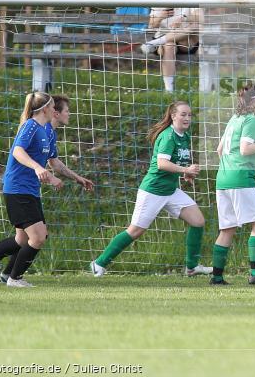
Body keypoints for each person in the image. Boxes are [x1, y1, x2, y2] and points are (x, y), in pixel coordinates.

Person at [0, 92, 85, 288]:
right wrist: (38, 168)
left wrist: (77, 178)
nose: (55, 110)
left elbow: (54, 163)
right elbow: (18, 151)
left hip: (30, 189)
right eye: (53, 106)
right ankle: (14, 278)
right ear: (45, 109)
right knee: (38, 236)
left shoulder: (47, 131)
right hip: (17, 188)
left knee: (22, 239)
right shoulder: (30, 126)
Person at [90, 101, 210, 278]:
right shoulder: (168, 136)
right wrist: (185, 169)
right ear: (173, 116)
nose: (187, 118)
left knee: (198, 221)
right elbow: (162, 164)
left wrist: (185, 173)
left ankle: (192, 267)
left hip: (170, 191)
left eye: (190, 115)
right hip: (153, 190)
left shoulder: (184, 136)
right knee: (135, 231)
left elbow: (175, 161)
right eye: (183, 114)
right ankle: (99, 263)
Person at [211, 82, 255, 285]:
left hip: (223, 178)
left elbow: (219, 149)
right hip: (240, 178)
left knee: (227, 229)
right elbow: (245, 149)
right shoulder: (251, 119)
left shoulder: (235, 118)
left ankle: (217, 277)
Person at [140, 0, 200, 92]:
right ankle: (169, 90)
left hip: (186, 41)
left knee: (195, 26)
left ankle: (155, 42)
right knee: (169, 44)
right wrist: (160, 16)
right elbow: (151, 26)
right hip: (166, 43)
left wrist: (184, 18)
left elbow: (199, 19)